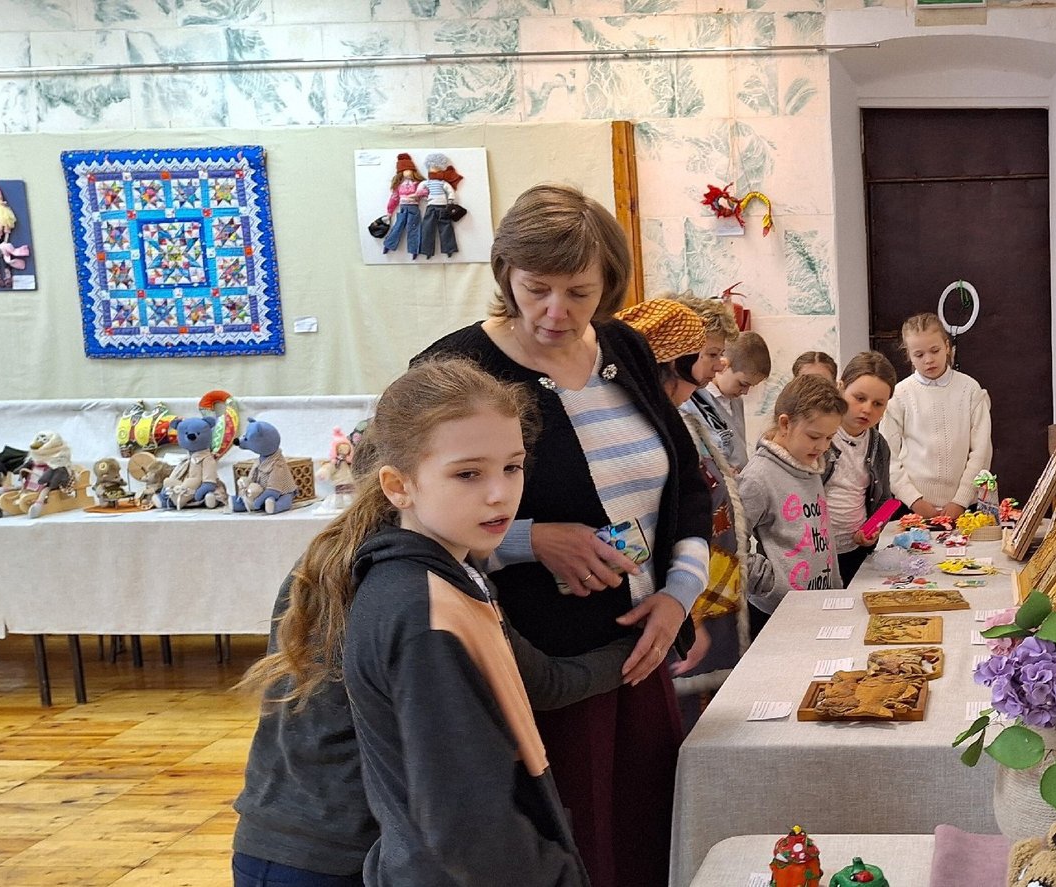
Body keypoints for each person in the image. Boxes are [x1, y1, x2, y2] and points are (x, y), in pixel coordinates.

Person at [232, 359, 644, 887]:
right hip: (316, 853)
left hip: (357, 847)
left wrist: (644, 644)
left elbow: (536, 680)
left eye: (512, 467)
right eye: (468, 473)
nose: (499, 493)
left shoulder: (448, 570)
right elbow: (464, 823)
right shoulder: (410, 600)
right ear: (398, 485)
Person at [414, 183, 711, 887]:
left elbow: (687, 489)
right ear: (505, 276)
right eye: (535, 289)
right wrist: (529, 539)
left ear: (609, 285)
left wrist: (678, 597)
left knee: (646, 834)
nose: (556, 311)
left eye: (579, 293)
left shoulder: (625, 348)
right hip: (541, 661)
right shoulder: (457, 370)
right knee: (572, 845)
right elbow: (414, 524)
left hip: (639, 649)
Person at [617, 298, 751, 723]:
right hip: (675, 601)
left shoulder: (691, 410)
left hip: (708, 586)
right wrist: (688, 610)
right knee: (678, 719)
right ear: (673, 360)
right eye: (710, 354)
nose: (719, 364)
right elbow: (649, 529)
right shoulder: (640, 428)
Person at [739, 374, 846, 633]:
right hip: (777, 612)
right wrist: (767, 581)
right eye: (814, 436)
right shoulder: (757, 477)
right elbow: (728, 544)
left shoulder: (810, 466)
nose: (822, 447)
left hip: (818, 603)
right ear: (785, 424)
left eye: (829, 438)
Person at [881, 313, 994, 519]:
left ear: (947, 346)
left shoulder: (970, 389)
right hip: (912, 508)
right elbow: (888, 456)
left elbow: (981, 452)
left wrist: (960, 500)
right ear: (909, 355)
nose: (929, 360)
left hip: (964, 507)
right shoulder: (899, 395)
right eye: (919, 354)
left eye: (935, 350)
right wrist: (914, 500)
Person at [824, 352, 898, 583]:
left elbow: (884, 500)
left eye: (878, 404)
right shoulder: (818, 436)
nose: (867, 409)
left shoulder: (878, 445)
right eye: (859, 398)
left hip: (855, 553)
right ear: (840, 389)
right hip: (816, 555)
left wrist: (873, 529)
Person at [686, 330, 770, 470]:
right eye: (743, 384)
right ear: (723, 366)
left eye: (751, 386)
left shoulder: (737, 401)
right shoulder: (694, 400)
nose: (745, 392)